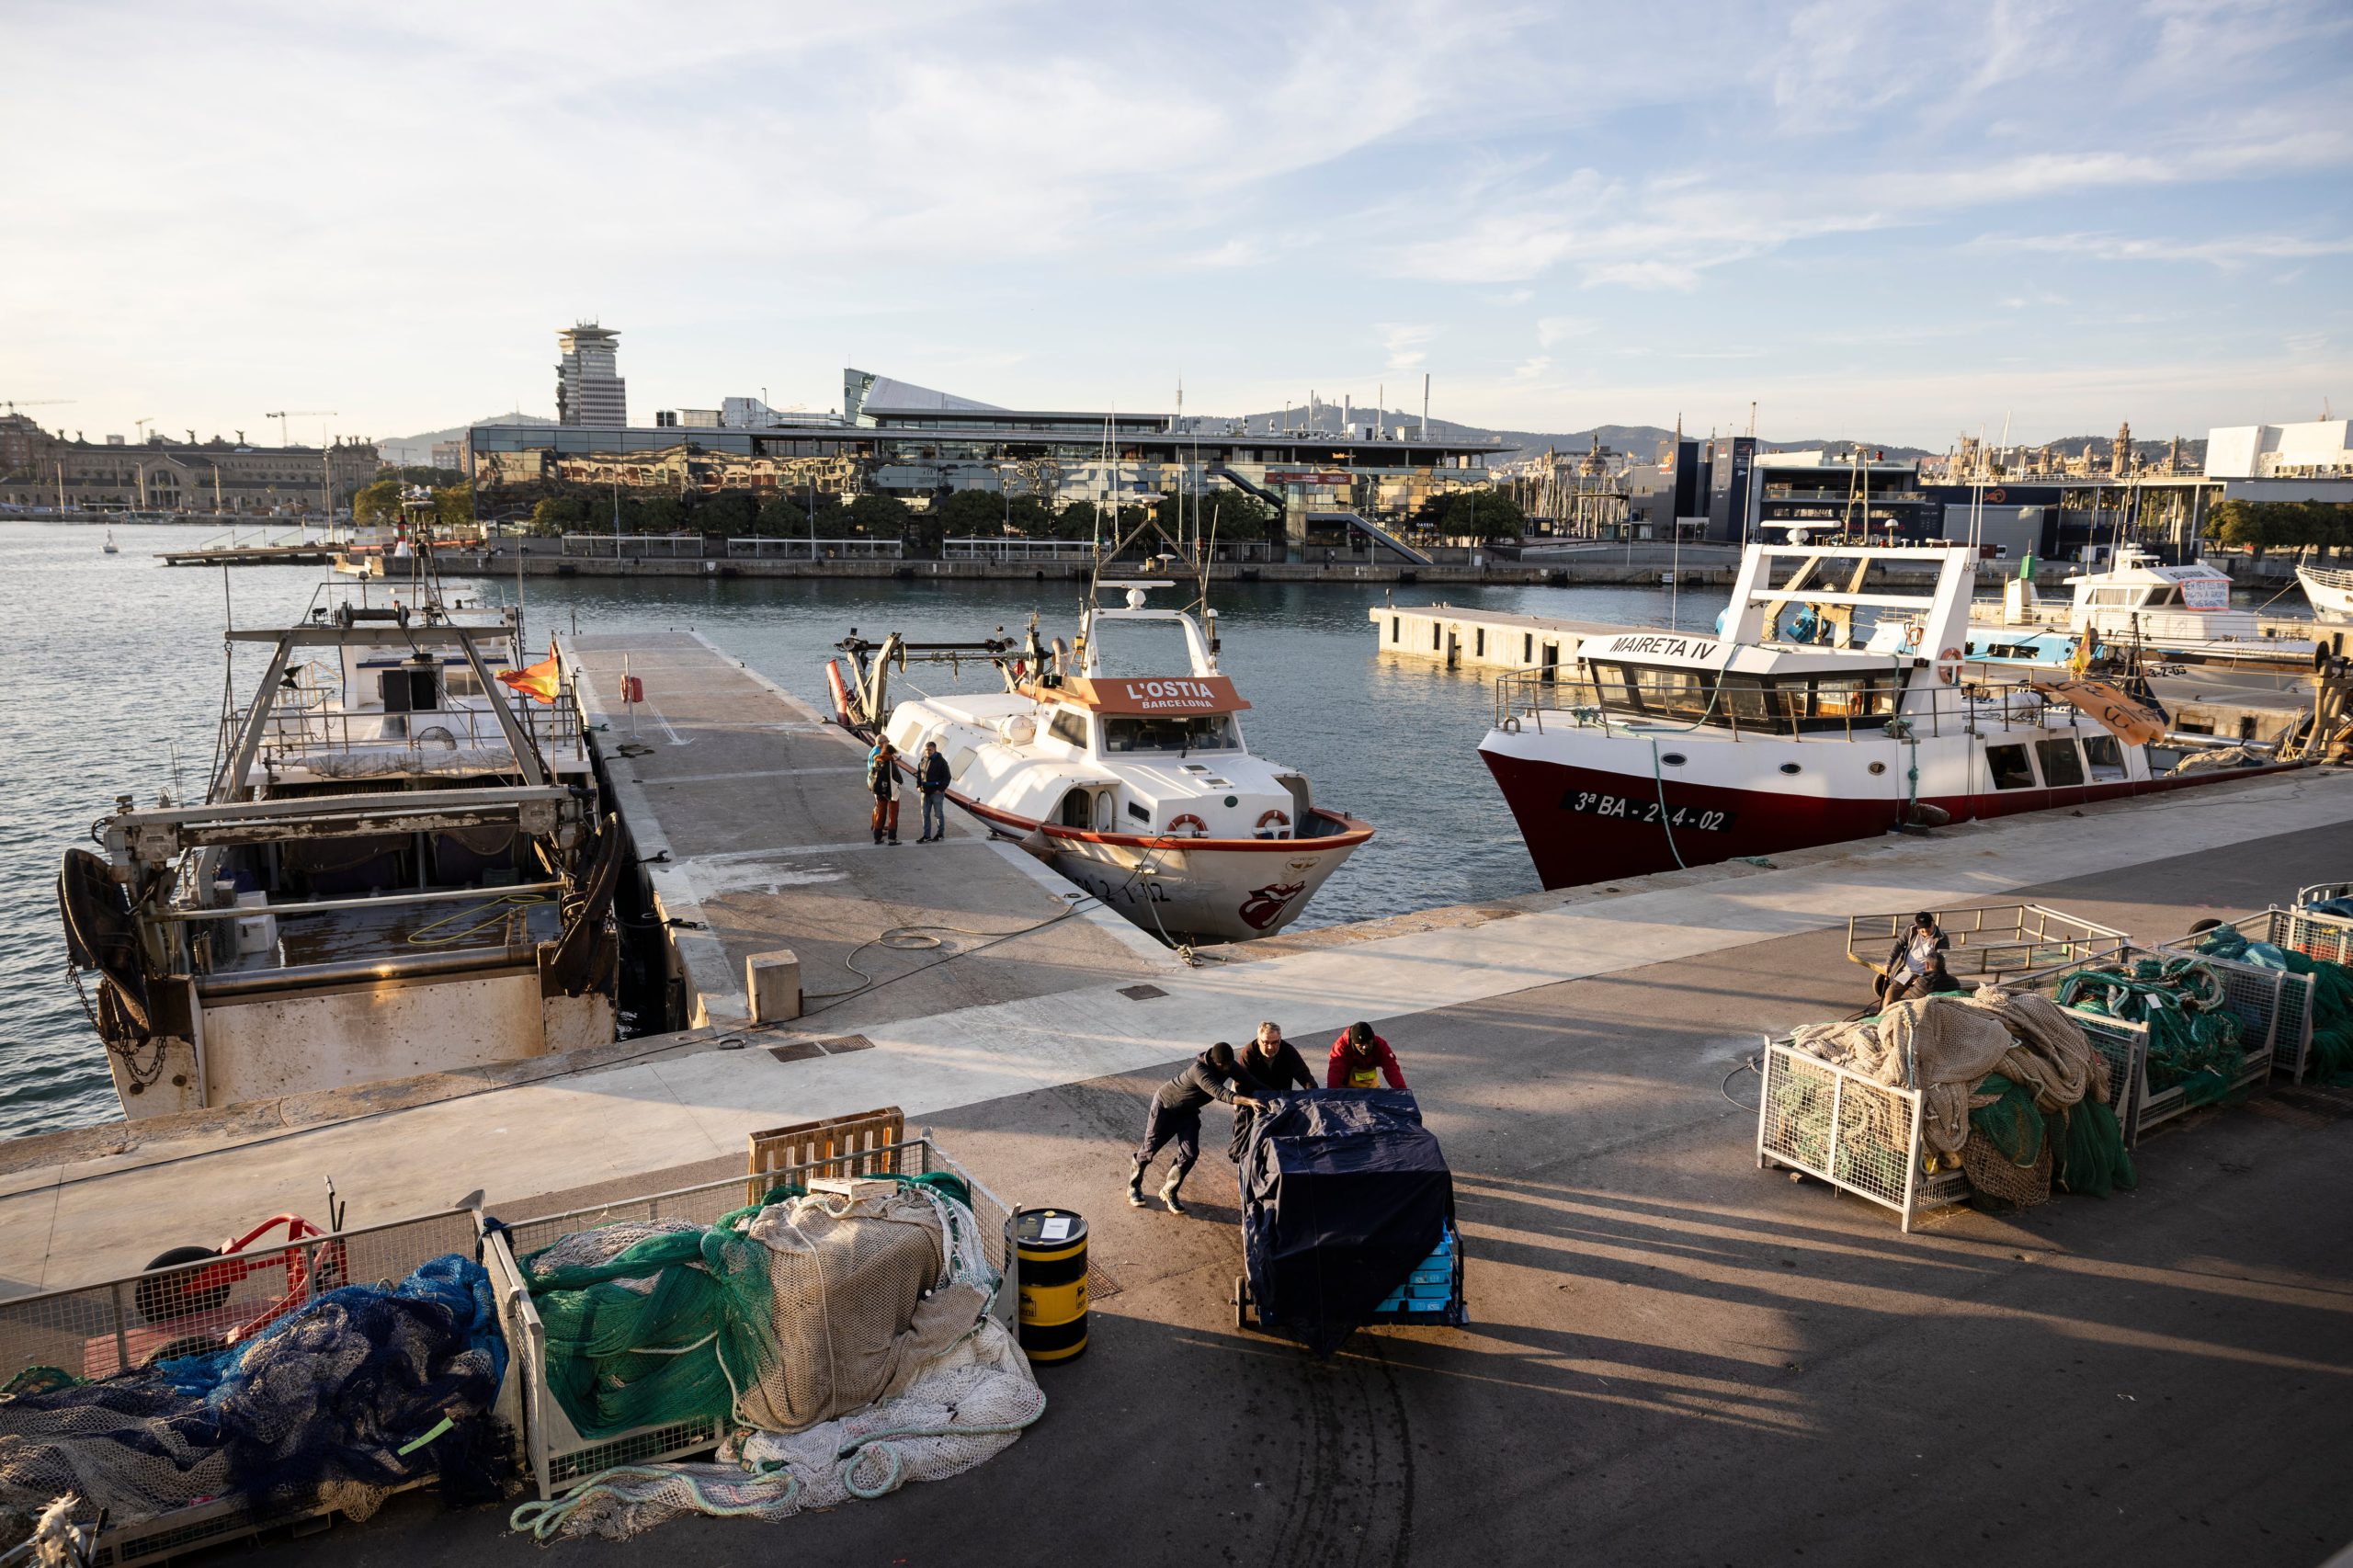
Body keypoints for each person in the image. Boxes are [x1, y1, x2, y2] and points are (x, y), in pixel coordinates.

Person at [1130, 1043, 1267, 1215]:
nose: (1226, 1069)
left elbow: (1251, 1081)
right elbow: (1221, 1093)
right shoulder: (1199, 1070)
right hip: (1165, 1107)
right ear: (1213, 1061)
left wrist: (1277, 1096)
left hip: (1187, 1112)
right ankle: (1134, 1185)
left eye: (1228, 1065)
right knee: (1150, 1148)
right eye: (1222, 1066)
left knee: (1190, 1154)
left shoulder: (1228, 1064)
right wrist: (1249, 1101)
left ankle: (1169, 1190)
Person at [1228, 1020, 1317, 1162]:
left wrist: (1314, 1095)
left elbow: (1304, 1076)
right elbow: (1242, 1086)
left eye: (1275, 1042)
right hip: (1253, 1095)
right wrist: (1250, 1103)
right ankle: (1241, 1156)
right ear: (1258, 1040)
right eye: (1265, 1042)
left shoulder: (1288, 1051)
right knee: (1244, 1119)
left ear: (1280, 1039)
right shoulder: (1248, 1053)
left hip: (1279, 1096)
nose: (1270, 1047)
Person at [1877, 911, 1949, 1000]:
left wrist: (1925, 977)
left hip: (1925, 975)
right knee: (1889, 995)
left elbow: (1939, 963)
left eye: (1928, 929)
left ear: (1933, 923)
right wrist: (1889, 963)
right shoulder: (1910, 930)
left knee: (1917, 999)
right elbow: (1898, 945)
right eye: (1922, 930)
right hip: (1907, 971)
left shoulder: (1942, 938)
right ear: (1917, 926)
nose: (1925, 932)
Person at [1326, 1021, 1406, 1090]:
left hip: (1370, 1085)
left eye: (1368, 1042)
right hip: (1347, 1086)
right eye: (1361, 1044)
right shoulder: (1341, 1047)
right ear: (1353, 1043)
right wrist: (1332, 1094)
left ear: (1373, 1039)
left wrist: (1403, 1092)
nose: (1365, 1047)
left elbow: (1391, 1069)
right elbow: (1335, 1071)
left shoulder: (1381, 1045)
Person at [866, 739, 901, 846]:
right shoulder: (890, 763)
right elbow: (899, 779)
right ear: (891, 753)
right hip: (891, 792)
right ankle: (892, 839)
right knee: (892, 815)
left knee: (880, 814)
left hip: (879, 791)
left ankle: (877, 838)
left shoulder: (877, 760)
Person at [916, 741, 950, 843]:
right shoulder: (923, 760)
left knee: (938, 814)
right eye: (926, 750)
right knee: (925, 814)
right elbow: (919, 774)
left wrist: (940, 789)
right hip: (925, 793)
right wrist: (918, 785)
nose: (928, 752)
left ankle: (940, 834)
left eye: (930, 750)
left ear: (935, 749)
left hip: (936, 793)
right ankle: (926, 836)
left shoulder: (942, 762)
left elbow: (947, 777)